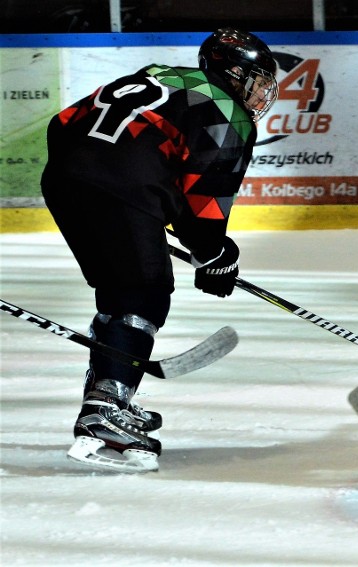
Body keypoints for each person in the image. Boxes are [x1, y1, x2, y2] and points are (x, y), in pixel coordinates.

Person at [40, 28, 279, 473]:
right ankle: (105, 409)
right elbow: (204, 200)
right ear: (233, 73)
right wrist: (216, 255)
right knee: (145, 291)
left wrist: (108, 184)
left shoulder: (161, 75)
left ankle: (109, 395)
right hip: (123, 187)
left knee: (121, 287)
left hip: (63, 180)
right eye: (258, 80)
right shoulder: (229, 113)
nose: (264, 92)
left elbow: (63, 122)